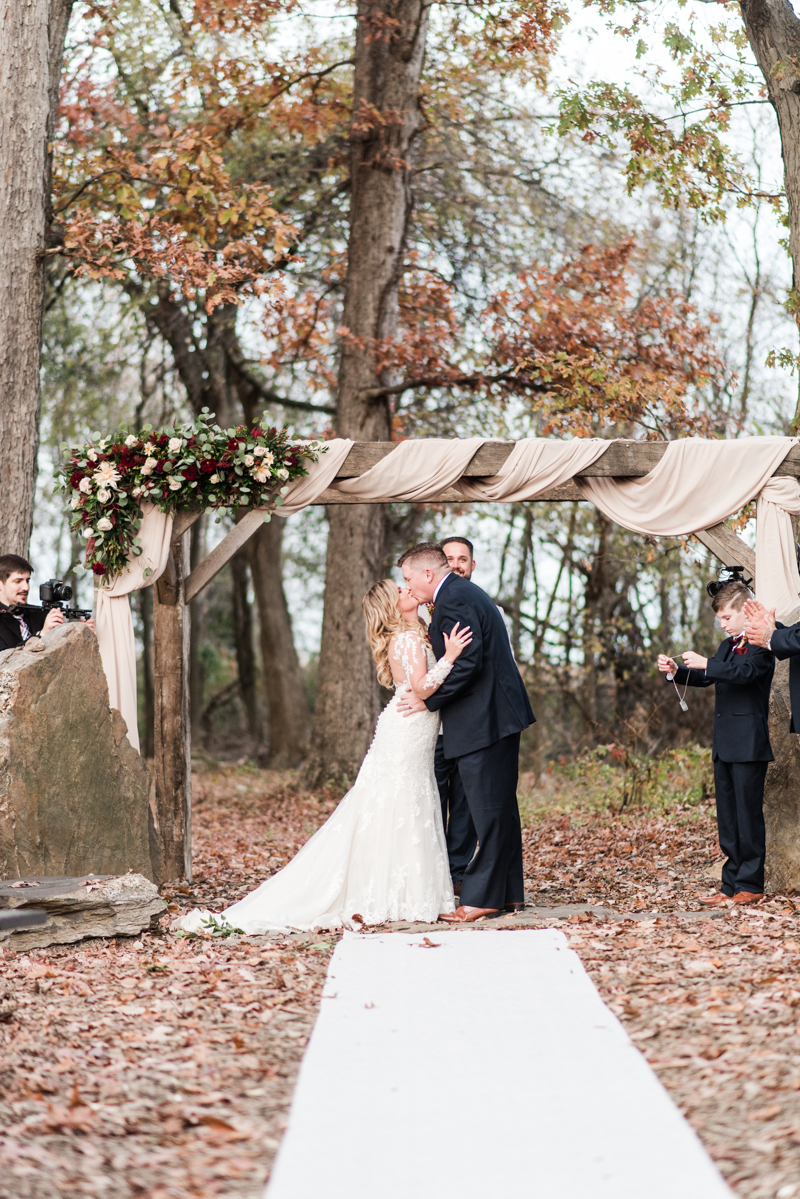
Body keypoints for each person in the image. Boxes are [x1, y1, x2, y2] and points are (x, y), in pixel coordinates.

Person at [175, 579, 472, 933]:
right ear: (392, 607)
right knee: (400, 801)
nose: (408, 590)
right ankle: (393, 892)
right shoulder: (407, 639)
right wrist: (451, 656)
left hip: (414, 727)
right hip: (407, 729)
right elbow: (422, 687)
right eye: (400, 590)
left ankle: (406, 890)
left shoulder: (417, 631)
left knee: (409, 801)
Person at [397, 542, 535, 923]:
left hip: (484, 718)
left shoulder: (453, 601)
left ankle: (482, 898)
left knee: (488, 811)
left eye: (408, 578)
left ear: (427, 574)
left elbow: (467, 663)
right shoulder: (462, 593)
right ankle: (508, 894)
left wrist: (430, 701)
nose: (407, 585)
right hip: (496, 714)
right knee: (501, 810)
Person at [657, 580, 774, 907]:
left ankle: (751, 885)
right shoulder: (726, 647)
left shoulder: (760, 643)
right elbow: (709, 676)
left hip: (749, 743)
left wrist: (708, 663)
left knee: (748, 817)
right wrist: (676, 671)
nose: (722, 625)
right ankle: (729, 886)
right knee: (728, 819)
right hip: (724, 744)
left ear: (744, 611)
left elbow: (747, 673)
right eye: (719, 620)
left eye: (726, 618)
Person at [435, 536, 480, 896]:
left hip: (466, 722)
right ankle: (430, 871)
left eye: (462, 559)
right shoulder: (420, 610)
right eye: (448, 558)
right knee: (431, 797)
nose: (456, 564)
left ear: (472, 566)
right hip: (431, 727)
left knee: (464, 803)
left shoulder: (484, 608)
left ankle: (458, 872)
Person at [0, 555, 71, 650]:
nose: (26, 587)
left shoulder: (42, 614)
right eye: (18, 581)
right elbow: (5, 658)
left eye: (27, 581)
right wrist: (40, 635)